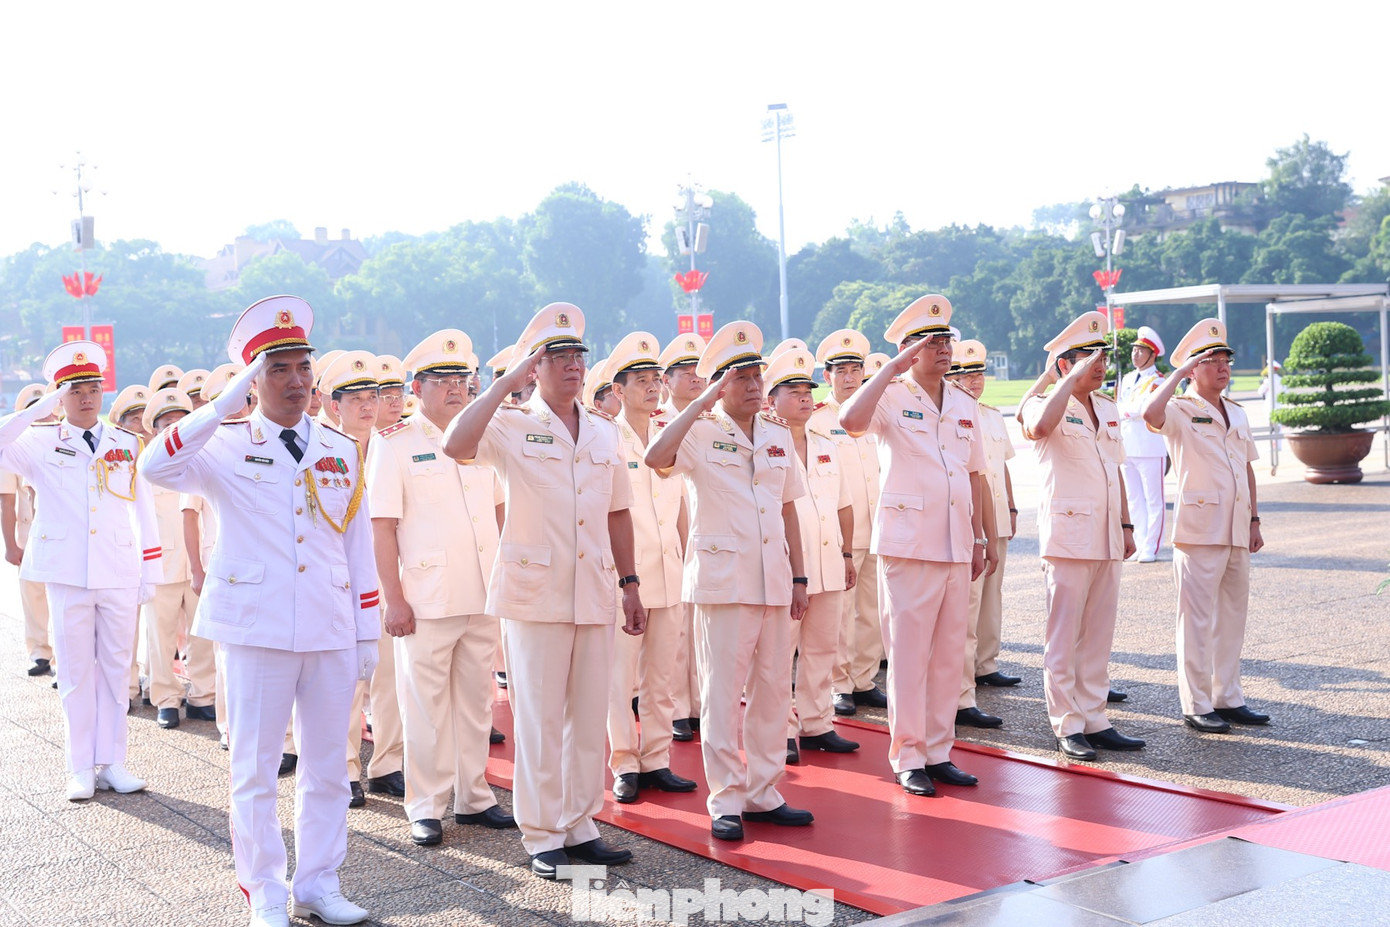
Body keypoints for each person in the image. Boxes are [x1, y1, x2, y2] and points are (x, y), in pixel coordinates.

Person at [139, 296, 380, 927]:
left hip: (327, 625)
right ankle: (264, 889)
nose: (297, 380)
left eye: (304, 367)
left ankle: (319, 882)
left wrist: (366, 631)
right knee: (255, 768)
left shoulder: (340, 447)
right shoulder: (220, 444)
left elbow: (357, 546)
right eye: (279, 369)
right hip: (256, 626)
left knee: (329, 765)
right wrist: (218, 408)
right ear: (253, 377)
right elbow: (153, 465)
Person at [442, 302, 644, 880]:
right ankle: (541, 833)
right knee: (538, 717)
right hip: (536, 592)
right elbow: (457, 444)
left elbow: (619, 511)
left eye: (578, 354)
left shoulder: (605, 429)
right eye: (557, 356)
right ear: (536, 365)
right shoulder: (510, 422)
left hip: (595, 589)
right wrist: (506, 381)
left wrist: (630, 584)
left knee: (588, 712)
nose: (572, 365)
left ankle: (581, 824)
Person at [644, 320, 814, 842]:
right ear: (719, 383)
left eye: (756, 375)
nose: (753, 385)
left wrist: (801, 576)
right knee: (721, 696)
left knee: (770, 693)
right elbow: (656, 459)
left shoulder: (776, 433)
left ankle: (764, 791)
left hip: (773, 580)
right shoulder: (697, 431)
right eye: (739, 377)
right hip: (723, 582)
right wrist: (700, 404)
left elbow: (789, 509)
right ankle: (725, 799)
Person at [839, 296, 991, 797]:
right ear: (908, 350)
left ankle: (938, 750)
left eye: (946, 339)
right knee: (908, 655)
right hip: (908, 544)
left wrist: (981, 537)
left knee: (949, 654)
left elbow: (975, 476)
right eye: (932, 341)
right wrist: (888, 372)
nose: (944, 348)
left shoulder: (964, 403)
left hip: (954, 542)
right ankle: (908, 755)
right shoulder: (889, 394)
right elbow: (851, 421)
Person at [368, 329, 515, 847]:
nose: (455, 388)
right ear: (417, 386)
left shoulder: (482, 436)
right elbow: (381, 525)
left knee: (477, 702)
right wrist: (394, 598)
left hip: (482, 589)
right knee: (425, 706)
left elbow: (500, 510)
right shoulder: (396, 443)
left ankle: (474, 796)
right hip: (426, 597)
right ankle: (426, 805)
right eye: (443, 379)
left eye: (462, 379)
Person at [0, 341, 162, 801]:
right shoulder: (39, 440)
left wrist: (150, 570)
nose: (86, 398)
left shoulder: (126, 443)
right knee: (74, 673)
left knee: (116, 670)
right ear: (61, 396)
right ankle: (79, 767)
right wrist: (43, 406)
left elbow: (144, 511)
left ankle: (112, 762)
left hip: (118, 567)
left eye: (93, 388)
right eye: (75, 391)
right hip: (67, 570)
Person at [1021, 311, 1144, 762]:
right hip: (1069, 535)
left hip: (1108, 533)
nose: (1099, 365)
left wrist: (1127, 525)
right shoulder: (1043, 403)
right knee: (1064, 632)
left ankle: (1095, 716)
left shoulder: (1108, 407)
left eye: (1102, 357)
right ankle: (1067, 724)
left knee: (1098, 632)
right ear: (1063, 364)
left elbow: (1117, 469)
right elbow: (1037, 427)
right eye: (1087, 357)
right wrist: (1064, 379)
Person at [1143, 319, 1268, 734]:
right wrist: (1176, 376)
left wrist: (1254, 519)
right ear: (1193, 369)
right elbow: (1150, 413)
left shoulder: (1237, 412)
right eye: (1210, 360)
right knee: (1195, 621)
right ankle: (1196, 703)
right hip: (1199, 529)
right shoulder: (1180, 409)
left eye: (1224, 359)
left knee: (1232, 616)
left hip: (1235, 527)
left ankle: (1227, 696)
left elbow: (1247, 468)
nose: (1221, 366)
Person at [603, 332, 699, 804]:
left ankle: (657, 759)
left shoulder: (669, 432)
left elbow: (679, 503)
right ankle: (624, 761)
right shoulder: (604, 434)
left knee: (663, 675)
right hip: (626, 577)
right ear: (618, 390)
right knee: (620, 679)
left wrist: (686, 553)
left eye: (655, 380)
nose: (652, 388)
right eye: (640, 381)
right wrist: (621, 579)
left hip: (669, 570)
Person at [765, 347, 859, 764]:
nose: (805, 398)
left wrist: (847, 554)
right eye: (794, 391)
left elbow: (843, 505)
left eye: (808, 390)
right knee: (778, 652)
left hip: (827, 562)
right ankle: (780, 729)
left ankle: (817, 723)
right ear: (772, 399)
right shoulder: (764, 444)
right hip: (786, 566)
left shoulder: (826, 443)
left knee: (823, 647)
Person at [809, 329, 887, 717]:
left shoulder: (875, 413)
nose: (851, 377)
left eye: (856, 369)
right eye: (841, 370)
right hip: (841, 531)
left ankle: (864, 678)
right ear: (828, 376)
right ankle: (839, 683)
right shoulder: (819, 420)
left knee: (871, 609)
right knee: (841, 613)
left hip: (879, 525)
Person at [946, 339, 1019, 728]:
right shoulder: (952, 414)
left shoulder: (990, 415)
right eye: (965, 375)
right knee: (967, 606)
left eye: (978, 375)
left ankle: (985, 663)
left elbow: (1000, 469)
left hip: (995, 516)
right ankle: (962, 685)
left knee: (992, 596)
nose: (974, 382)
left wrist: (1010, 506)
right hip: (965, 520)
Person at [139, 388, 217, 730]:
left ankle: (202, 696)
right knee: (161, 636)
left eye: (181, 422)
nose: (174, 428)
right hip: (162, 566)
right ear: (155, 431)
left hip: (201, 562)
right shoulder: (145, 465)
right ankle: (166, 699)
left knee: (203, 636)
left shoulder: (206, 459)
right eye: (167, 423)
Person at [655, 333, 706, 742]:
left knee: (699, 634)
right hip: (668, 542)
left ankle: (697, 705)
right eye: (685, 373)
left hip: (702, 540)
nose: (694, 379)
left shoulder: (713, 421)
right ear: (666, 380)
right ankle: (676, 710)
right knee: (674, 638)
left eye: (698, 372)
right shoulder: (660, 423)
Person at [2, 384, 56, 677]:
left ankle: (63, 658)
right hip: (29, 537)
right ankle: (39, 653)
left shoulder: (62, 445)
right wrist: (10, 544)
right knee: (33, 598)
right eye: (38, 414)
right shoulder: (14, 451)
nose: (45, 420)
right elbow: (7, 502)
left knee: (61, 599)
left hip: (60, 538)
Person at [1118, 326, 1168, 562]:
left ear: (1153, 354)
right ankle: (1138, 542)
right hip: (1127, 446)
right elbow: (1121, 408)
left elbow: (1143, 408)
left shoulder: (1158, 380)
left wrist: (1126, 412)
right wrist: (1128, 412)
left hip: (1150, 446)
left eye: (1141, 350)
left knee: (1154, 500)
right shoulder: (1127, 378)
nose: (1135, 354)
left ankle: (1151, 546)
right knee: (1133, 499)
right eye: (1134, 350)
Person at [374, 355, 406, 431]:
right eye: (388, 397)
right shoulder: (362, 438)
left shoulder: (412, 435)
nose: (396, 403)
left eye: (400, 396)